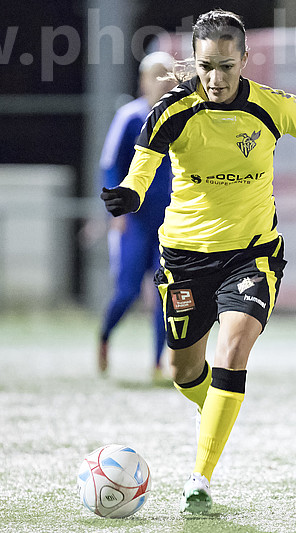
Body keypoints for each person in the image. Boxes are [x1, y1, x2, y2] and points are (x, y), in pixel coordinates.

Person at [101, 9, 296, 514]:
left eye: (227, 66)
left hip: (251, 255)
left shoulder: (270, 107)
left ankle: (200, 480)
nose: (215, 78)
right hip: (184, 259)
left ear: (245, 60)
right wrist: (130, 193)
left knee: (233, 352)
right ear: (195, 61)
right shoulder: (172, 110)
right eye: (206, 66)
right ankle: (221, 410)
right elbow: (144, 163)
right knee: (184, 370)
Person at [96, 52, 176, 378]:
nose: (163, 81)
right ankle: (104, 335)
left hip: (169, 223)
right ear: (143, 81)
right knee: (127, 291)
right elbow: (109, 165)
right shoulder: (130, 117)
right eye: (157, 74)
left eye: (168, 74)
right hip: (136, 222)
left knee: (165, 292)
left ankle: (158, 363)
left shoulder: (182, 117)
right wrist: (116, 211)